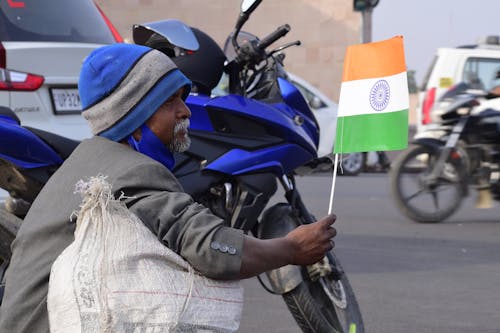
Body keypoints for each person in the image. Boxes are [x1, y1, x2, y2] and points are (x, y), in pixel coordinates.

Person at [0, 43, 337, 333]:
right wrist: (291, 250)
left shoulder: (87, 161)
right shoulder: (135, 170)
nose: (185, 110)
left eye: (182, 98)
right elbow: (211, 249)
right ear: (134, 114)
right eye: (170, 102)